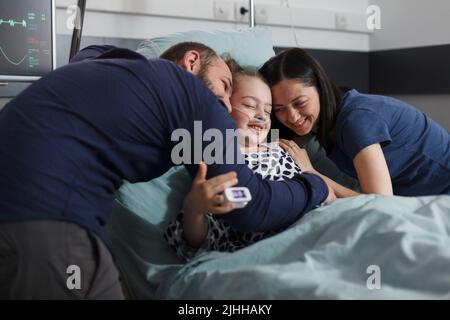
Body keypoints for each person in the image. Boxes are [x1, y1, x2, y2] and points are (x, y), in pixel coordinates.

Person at [0, 43, 333, 299]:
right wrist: (313, 186)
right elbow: (250, 205)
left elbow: (92, 52)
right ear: (191, 62)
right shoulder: (194, 97)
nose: (225, 103)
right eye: (226, 85)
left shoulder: (117, 72)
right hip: (45, 213)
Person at [164, 60, 356, 261]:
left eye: (268, 110)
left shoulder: (284, 148)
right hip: (278, 247)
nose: (261, 116)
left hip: (329, 226)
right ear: (222, 109)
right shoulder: (218, 161)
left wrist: (315, 176)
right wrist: (194, 209)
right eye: (249, 105)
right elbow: (198, 241)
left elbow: (328, 194)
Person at [259, 48, 450, 196]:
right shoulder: (321, 121)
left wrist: (315, 175)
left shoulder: (356, 121)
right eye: (280, 109)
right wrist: (233, 143)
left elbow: (380, 200)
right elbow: (272, 146)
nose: (292, 116)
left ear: (320, 88)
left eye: (299, 103)